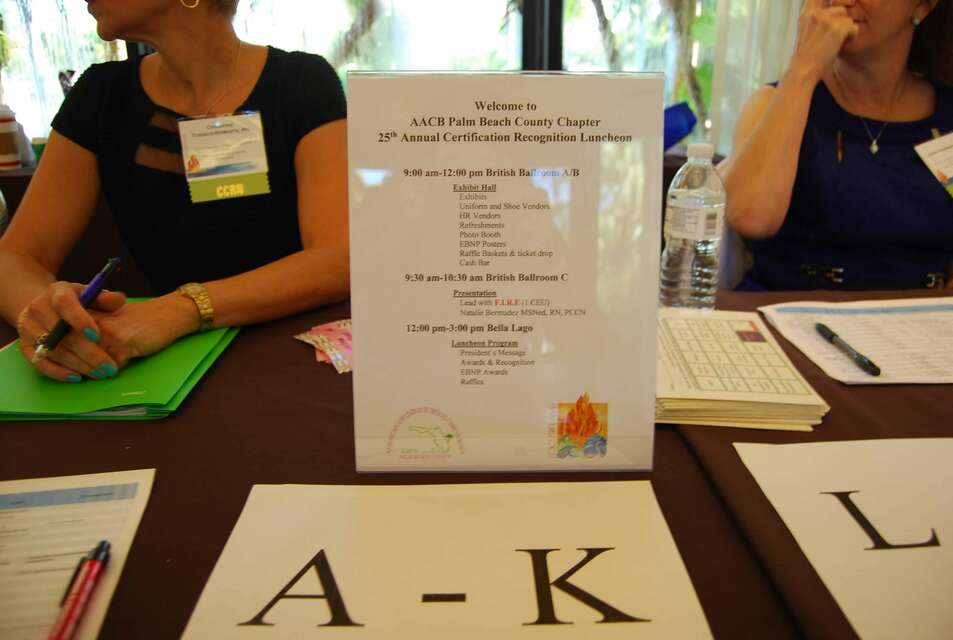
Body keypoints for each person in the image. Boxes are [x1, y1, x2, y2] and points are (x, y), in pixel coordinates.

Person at [0, 0, 349, 382]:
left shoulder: (301, 83)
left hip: (290, 357)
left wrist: (182, 309)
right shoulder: (102, 95)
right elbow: (13, 258)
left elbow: (337, 259)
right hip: (160, 366)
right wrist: (43, 312)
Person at [721, 0, 953, 290]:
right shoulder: (775, 102)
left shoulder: (946, 119)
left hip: (919, 315)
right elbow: (750, 218)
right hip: (786, 309)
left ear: (922, 7)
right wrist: (804, 67)